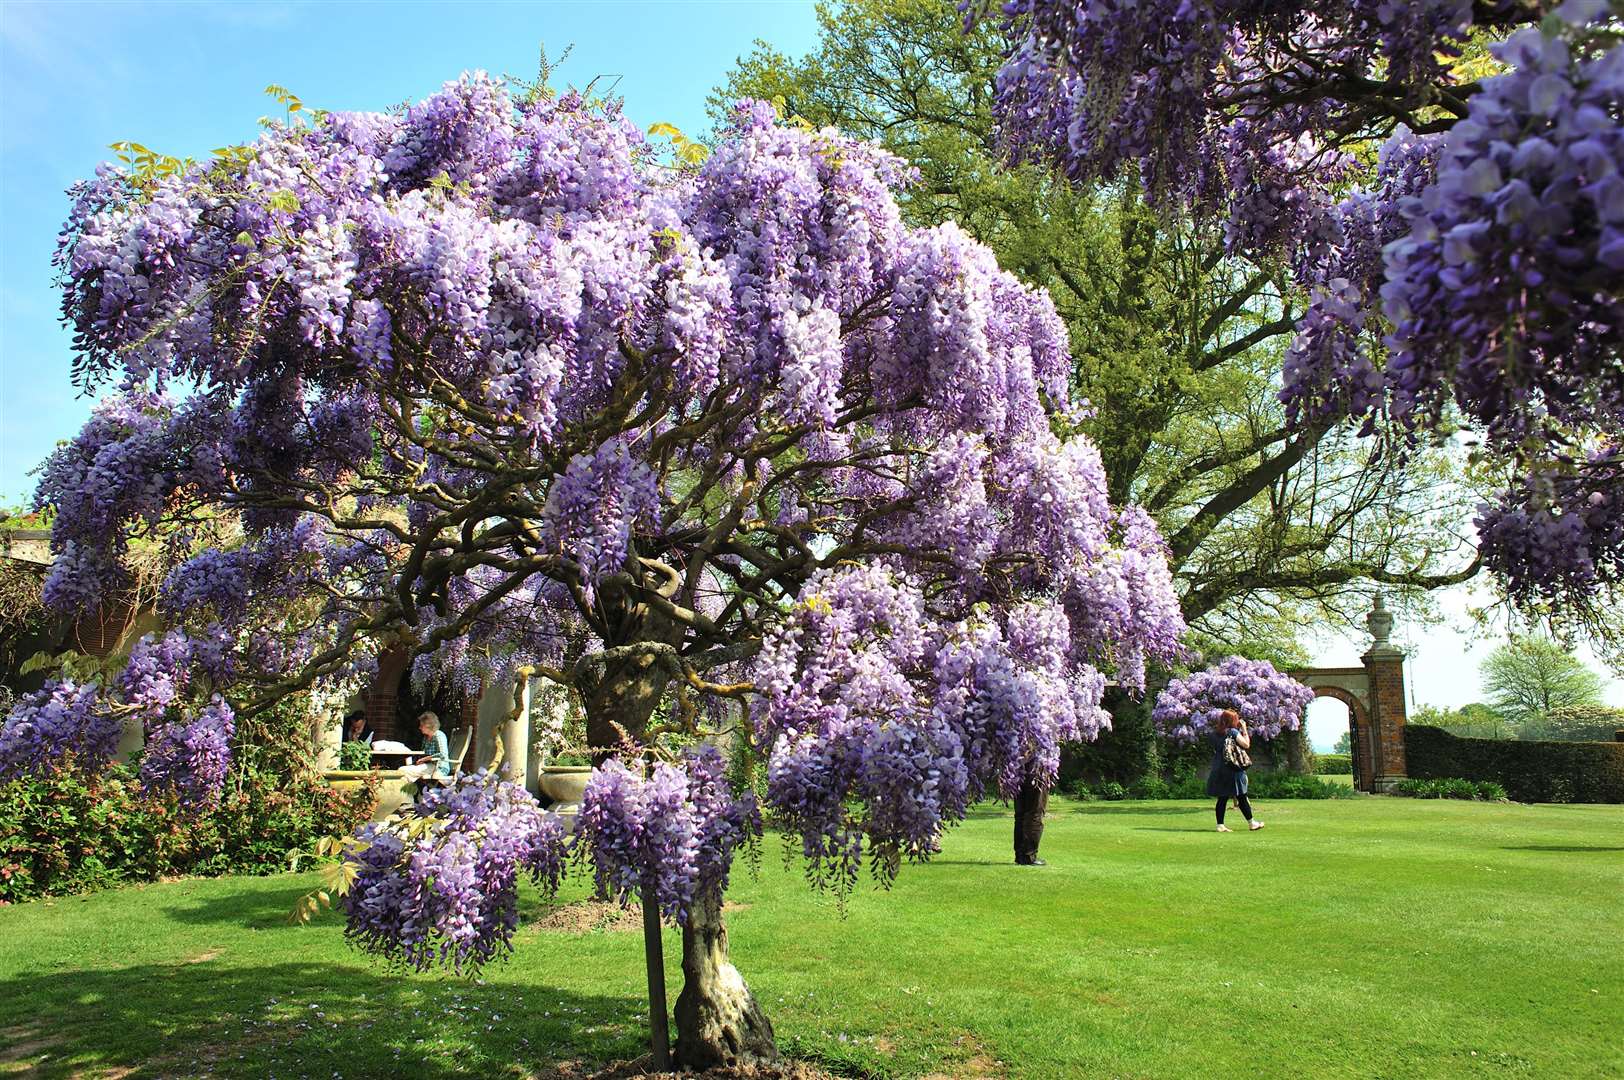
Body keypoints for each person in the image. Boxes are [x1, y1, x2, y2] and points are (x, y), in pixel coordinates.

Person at [1208, 709, 1264, 833]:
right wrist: (1244, 729)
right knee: (1242, 795)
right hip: (1232, 768)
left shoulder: (1214, 734)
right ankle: (1251, 823)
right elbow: (1246, 745)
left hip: (1218, 768)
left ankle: (1220, 825)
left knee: (1222, 797)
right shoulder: (1233, 732)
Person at [401, 711, 452, 782]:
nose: (419, 728)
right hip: (428, 765)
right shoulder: (426, 738)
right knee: (405, 774)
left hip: (438, 767)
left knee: (403, 771)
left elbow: (442, 754)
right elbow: (423, 753)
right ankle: (410, 791)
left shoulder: (439, 735)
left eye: (421, 725)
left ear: (428, 725)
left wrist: (424, 759)